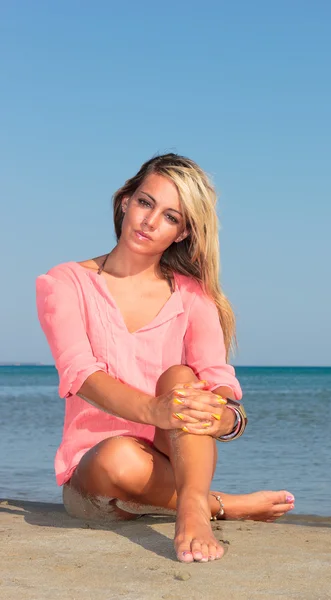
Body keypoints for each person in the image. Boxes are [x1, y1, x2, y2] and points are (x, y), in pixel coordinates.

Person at [36, 153, 295, 564]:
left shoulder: (194, 295)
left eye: (171, 217)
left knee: (181, 376)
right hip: (99, 474)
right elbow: (80, 373)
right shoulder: (66, 282)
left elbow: (216, 377)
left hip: (173, 457)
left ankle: (191, 506)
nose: (150, 221)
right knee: (118, 454)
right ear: (125, 201)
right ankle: (223, 505)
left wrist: (225, 416)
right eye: (145, 203)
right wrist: (155, 411)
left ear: (182, 233)